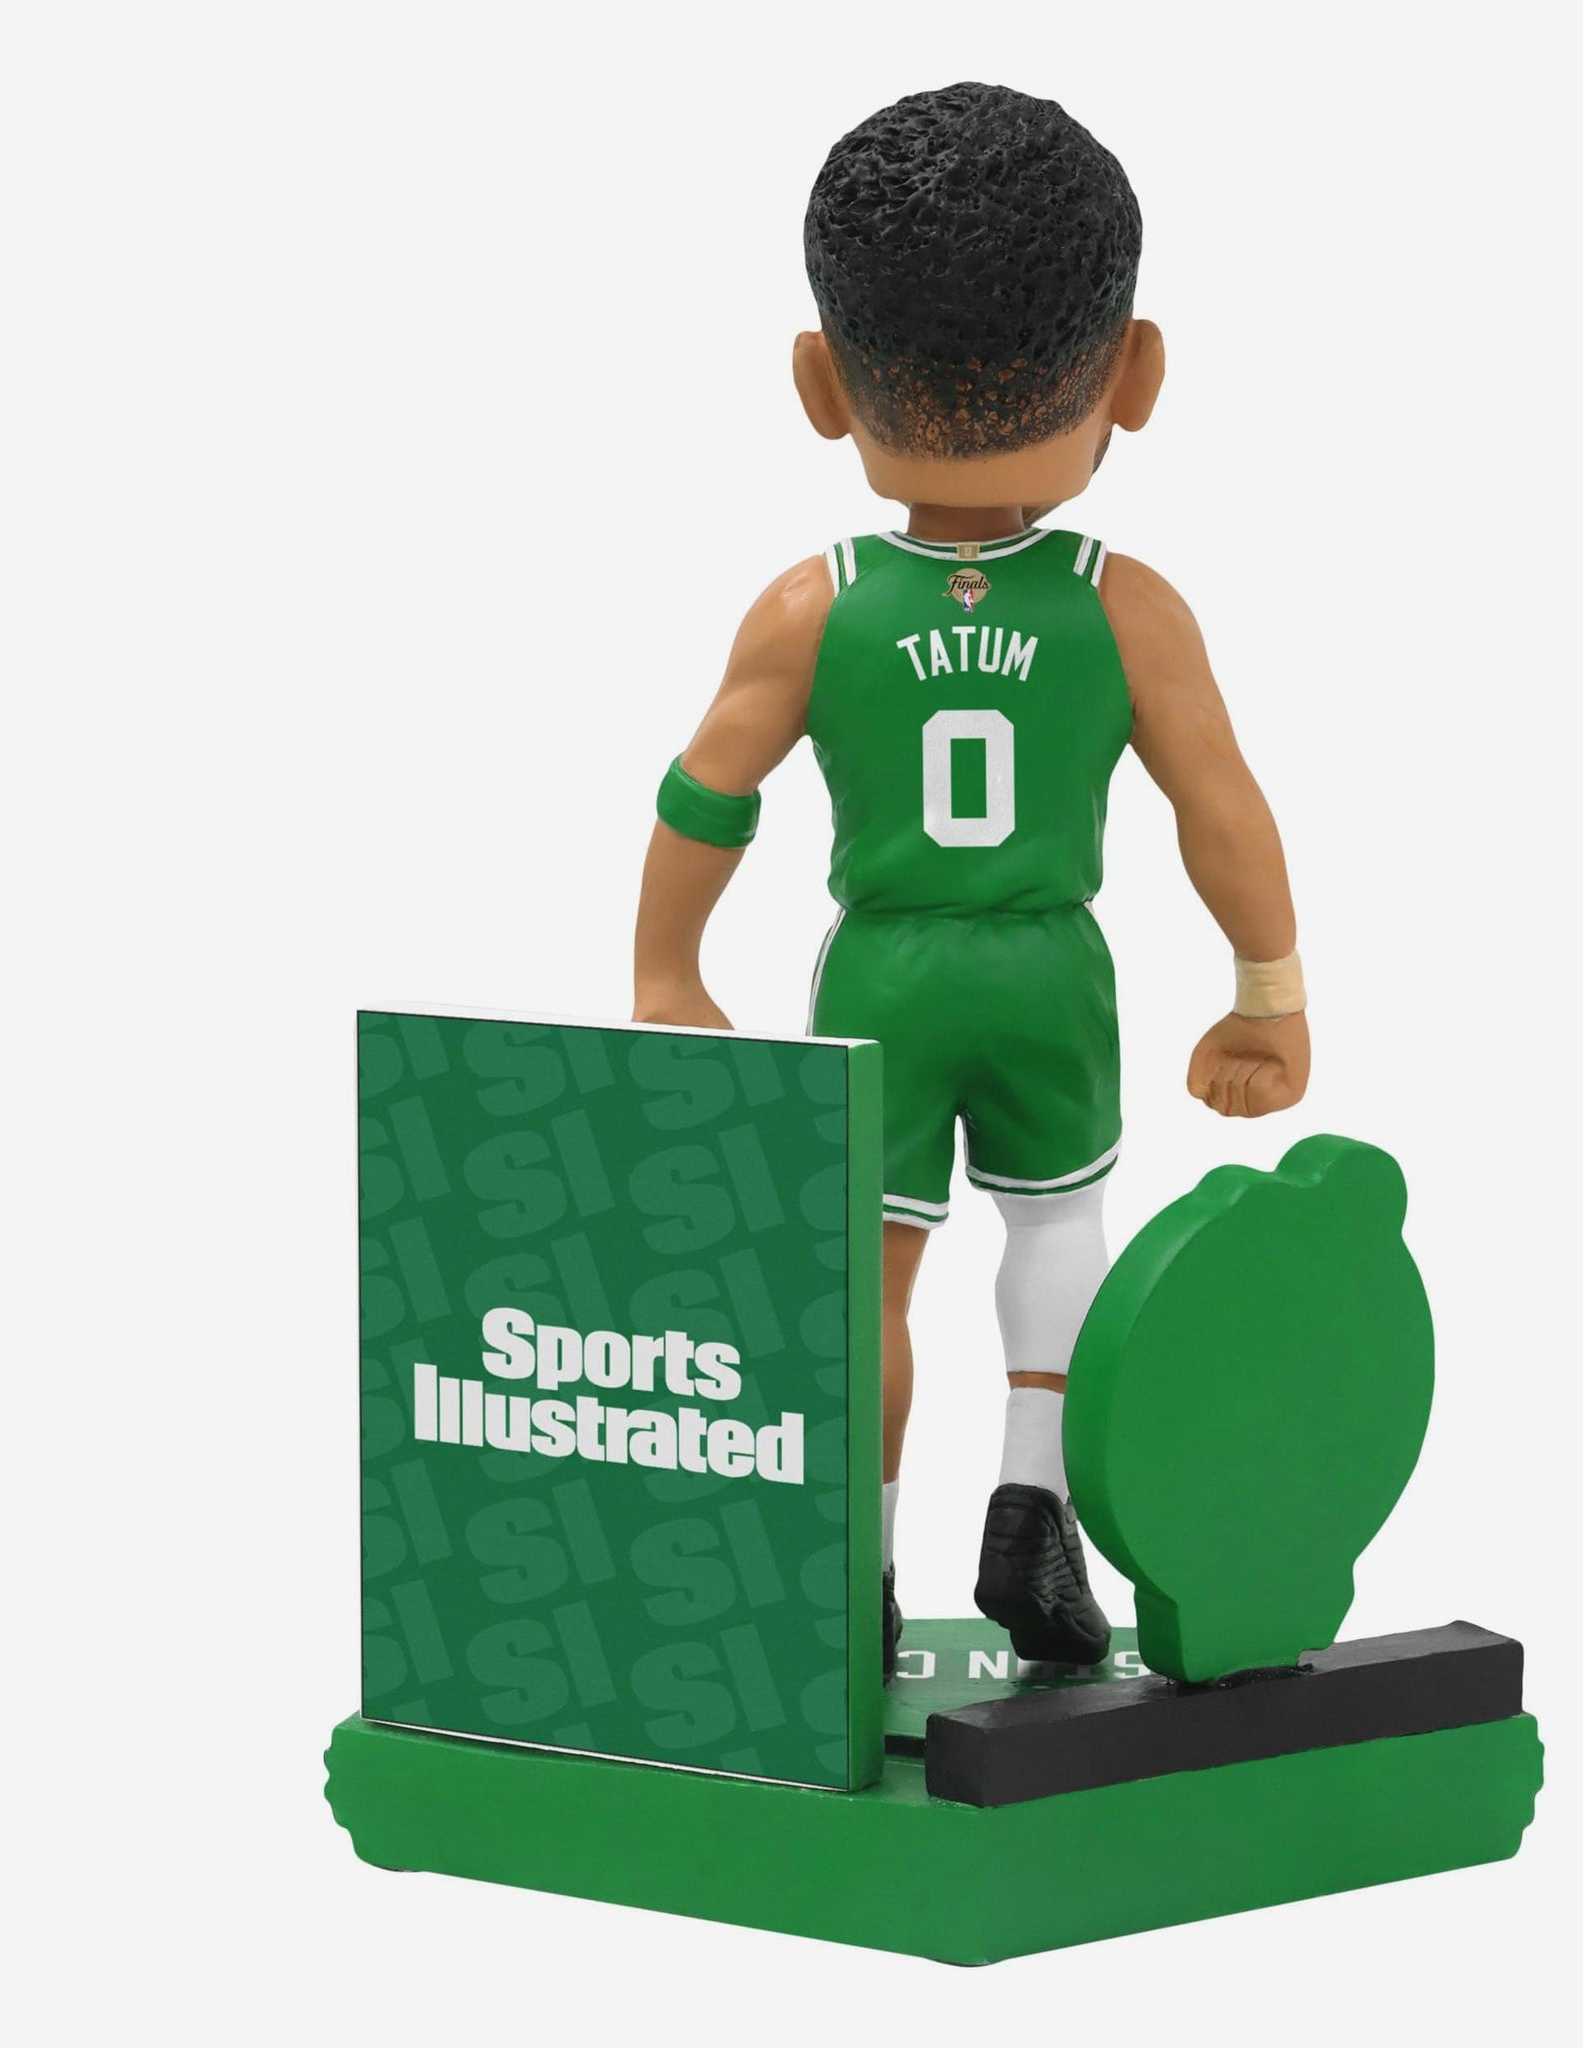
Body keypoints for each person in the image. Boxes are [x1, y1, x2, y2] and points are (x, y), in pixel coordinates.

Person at [633, 83, 1308, 1676]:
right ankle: (1032, 1508)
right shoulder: (1124, 608)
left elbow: (706, 790)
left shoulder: (813, 606)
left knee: (865, 1272)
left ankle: (850, 1569)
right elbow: (1221, 808)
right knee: (1059, 1231)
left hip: (884, 969)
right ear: (1134, 375)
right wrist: (1267, 993)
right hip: (1046, 969)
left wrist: (667, 972)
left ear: (822, 384)